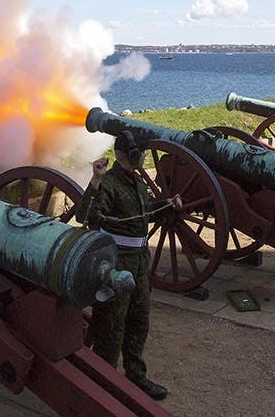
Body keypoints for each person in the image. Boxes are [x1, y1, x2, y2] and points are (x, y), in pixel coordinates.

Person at [78, 130, 180, 401]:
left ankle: (136, 376)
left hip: (138, 263)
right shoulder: (109, 183)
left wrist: (167, 205)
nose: (145, 156)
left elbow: (142, 214)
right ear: (132, 155)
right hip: (116, 263)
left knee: (139, 322)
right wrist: (95, 181)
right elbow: (85, 216)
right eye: (142, 153)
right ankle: (104, 384)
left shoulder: (136, 181)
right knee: (111, 327)